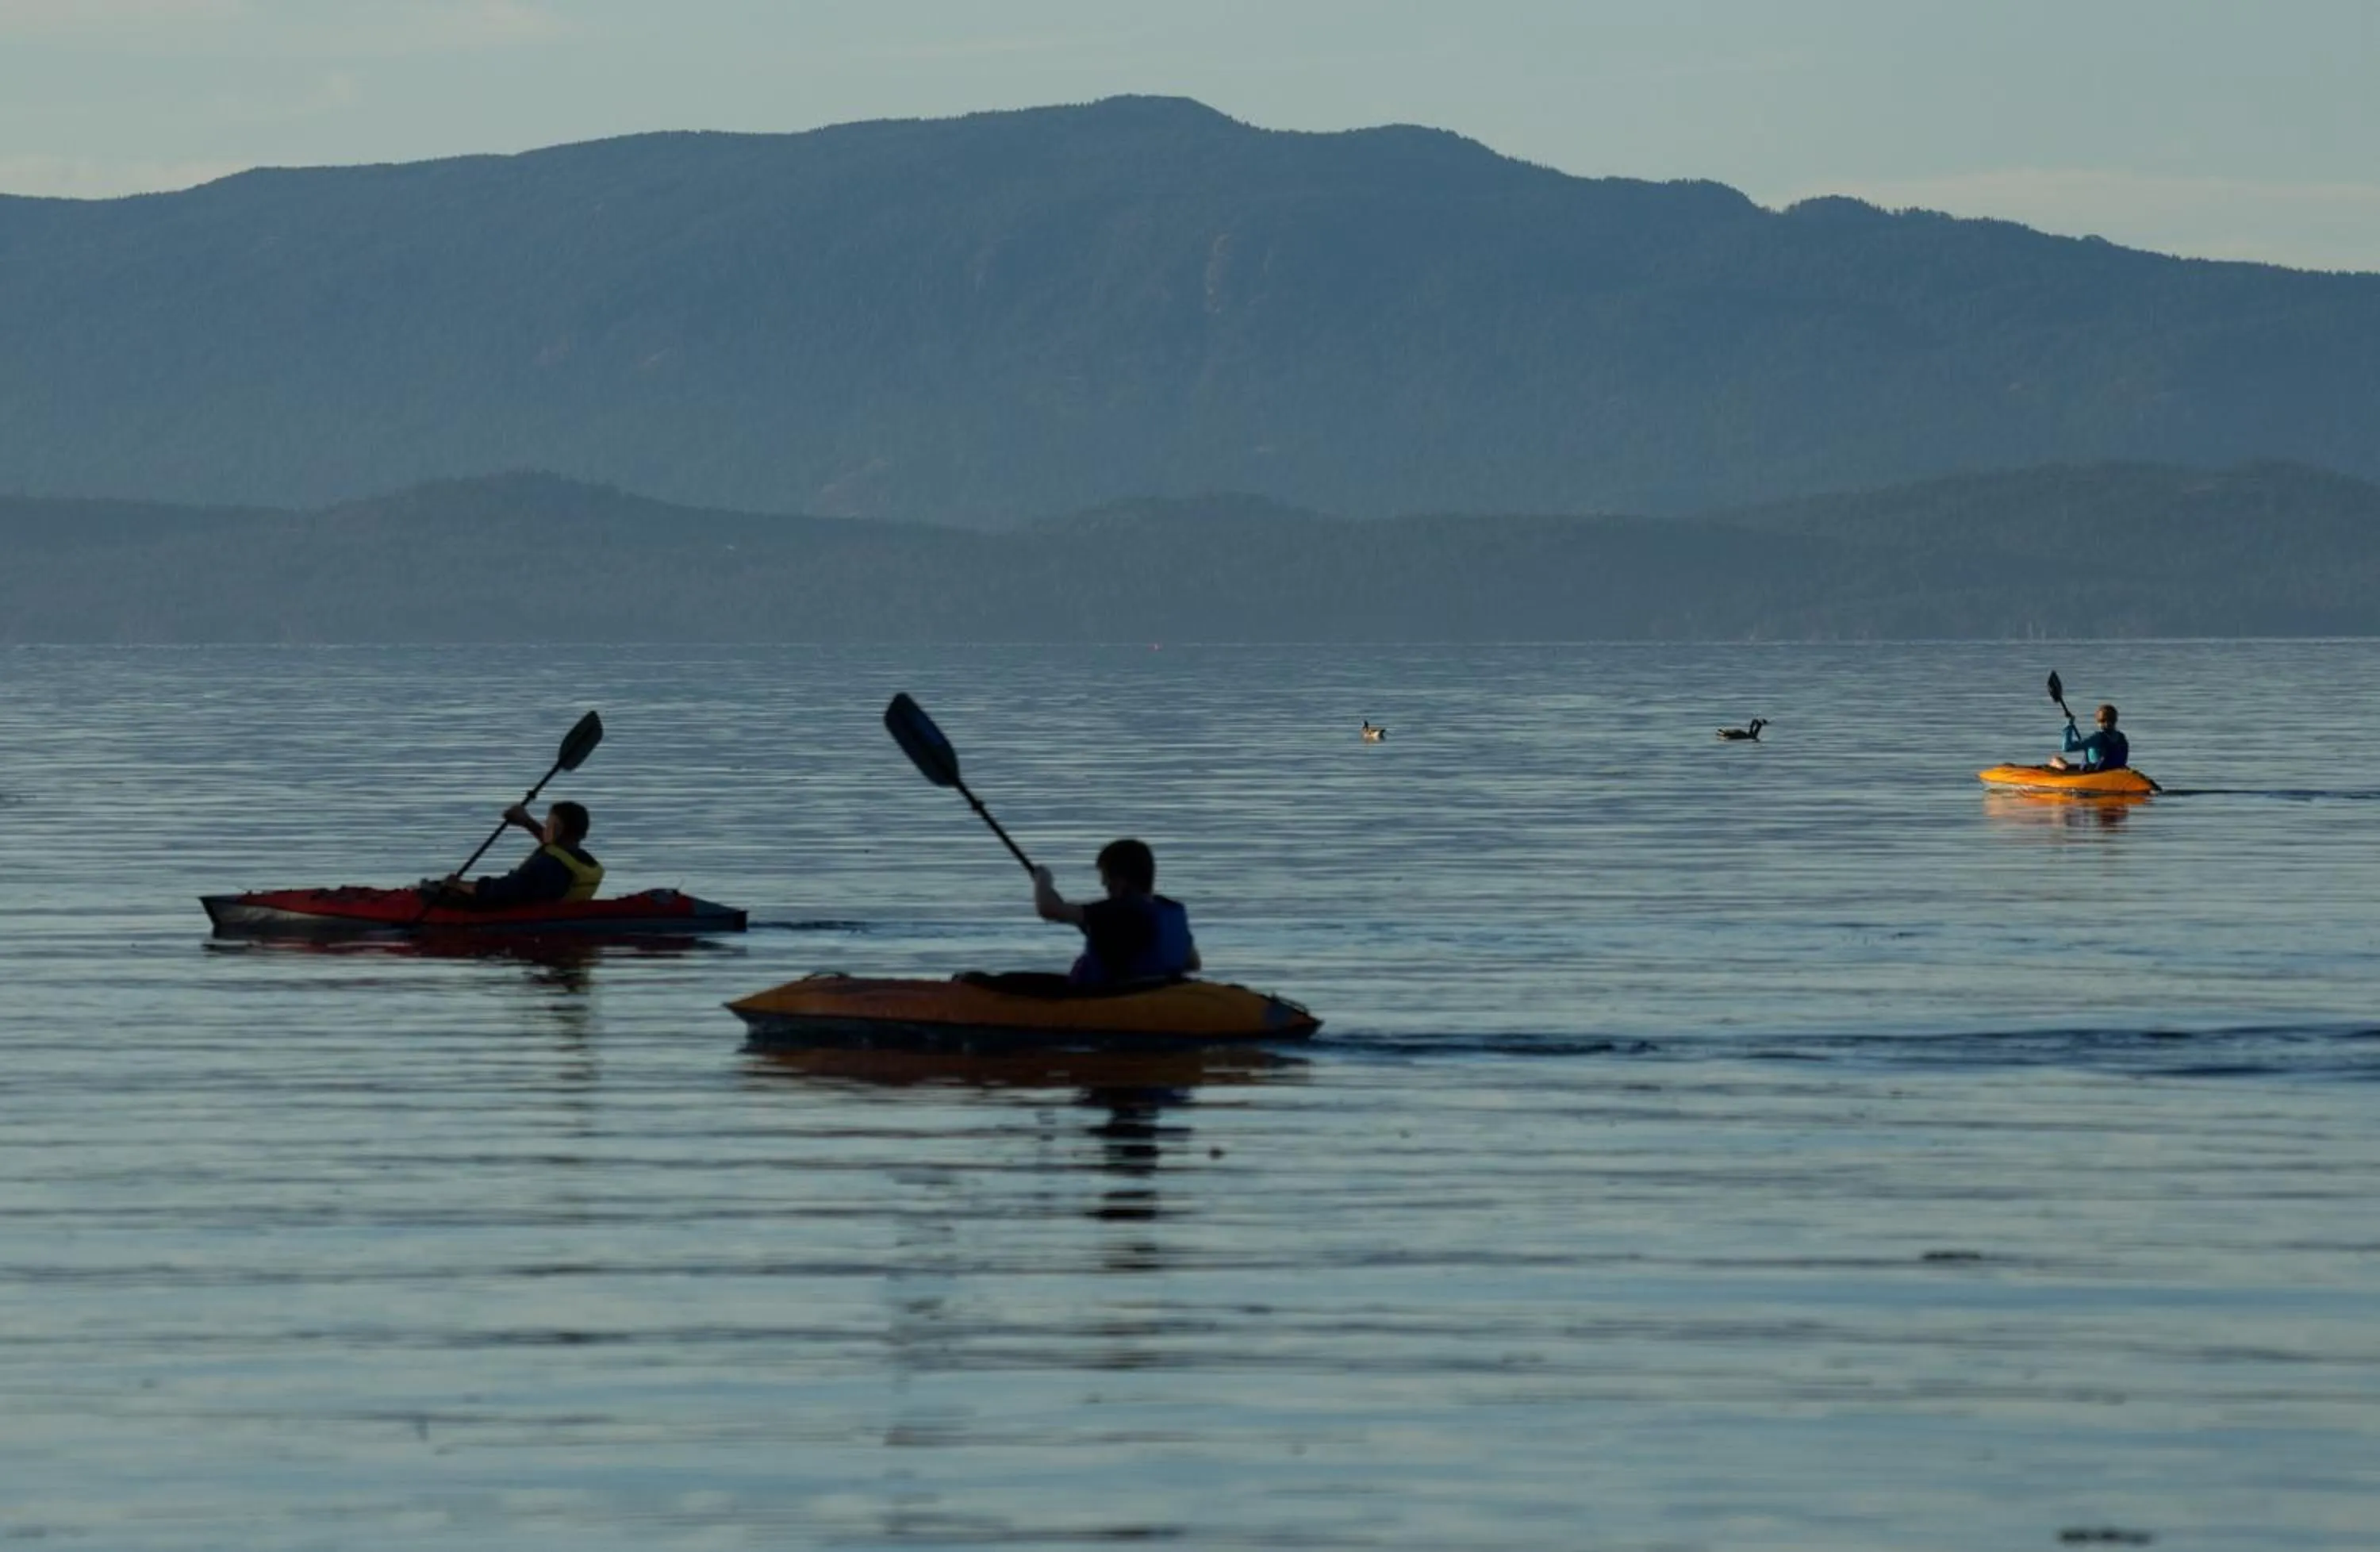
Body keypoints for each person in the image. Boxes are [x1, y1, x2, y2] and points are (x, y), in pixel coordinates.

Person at [1031, 838, 1201, 986]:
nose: (1104, 884)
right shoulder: (1169, 908)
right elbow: (1193, 963)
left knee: (1012, 983)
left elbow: (1049, 909)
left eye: (1105, 877)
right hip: (1156, 990)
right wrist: (1111, 941)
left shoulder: (1118, 910)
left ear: (1120, 881)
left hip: (1111, 996)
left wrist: (1042, 879)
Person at [434, 801, 605, 907]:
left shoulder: (545, 865)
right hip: (560, 909)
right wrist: (526, 822)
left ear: (555, 829)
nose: (545, 826)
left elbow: (501, 891)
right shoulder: (584, 860)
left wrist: (458, 884)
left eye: (548, 823)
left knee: (433, 891)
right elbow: (557, 848)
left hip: (525, 912)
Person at [2049, 703, 2129, 771]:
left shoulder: (2097, 738)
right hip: (2116, 770)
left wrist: (2069, 726)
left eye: (2102, 721)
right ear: (2115, 720)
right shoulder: (2121, 737)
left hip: (2096, 773)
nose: (2106, 723)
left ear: (2098, 722)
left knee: (2056, 760)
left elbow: (2067, 747)